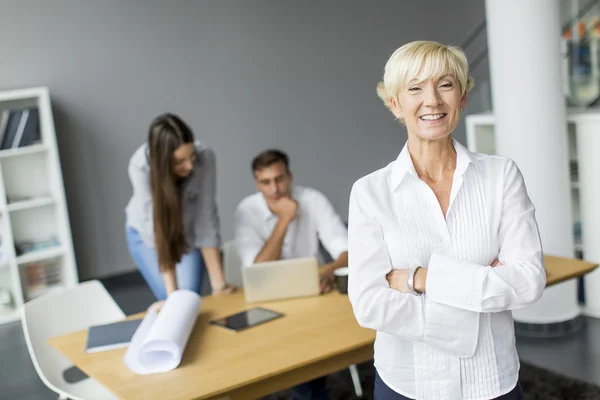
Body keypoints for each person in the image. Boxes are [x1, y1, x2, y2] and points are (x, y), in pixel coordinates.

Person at [347, 41, 545, 400]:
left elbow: (528, 281)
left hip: (492, 381)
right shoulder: (370, 192)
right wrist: (482, 287)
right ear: (395, 104)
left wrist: (419, 279)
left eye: (446, 84)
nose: (433, 100)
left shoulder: (502, 176)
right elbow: (369, 303)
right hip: (407, 383)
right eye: (415, 88)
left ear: (463, 97)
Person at [234, 149, 349, 400]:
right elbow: (257, 271)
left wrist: (328, 272)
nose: (274, 188)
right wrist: (285, 219)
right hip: (267, 302)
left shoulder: (312, 199)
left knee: (314, 358)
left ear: (290, 176)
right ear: (257, 183)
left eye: (279, 179)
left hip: (314, 296)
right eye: (266, 182)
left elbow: (347, 249)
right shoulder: (247, 210)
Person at [125, 113, 235, 312]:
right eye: (180, 161)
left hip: (187, 230)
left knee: (191, 297)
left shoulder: (205, 157)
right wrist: (172, 297)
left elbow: (206, 219)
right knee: (178, 304)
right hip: (149, 236)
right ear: (162, 161)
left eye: (191, 156)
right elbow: (159, 232)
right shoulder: (140, 167)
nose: (190, 166)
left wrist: (220, 285)